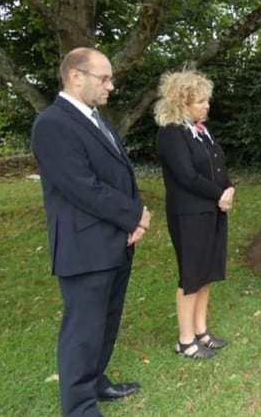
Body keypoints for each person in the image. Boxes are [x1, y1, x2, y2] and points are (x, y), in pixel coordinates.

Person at [31, 47, 152, 416]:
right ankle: (79, 406)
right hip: (84, 246)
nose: (111, 86)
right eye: (105, 78)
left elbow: (116, 173)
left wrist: (131, 219)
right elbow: (82, 187)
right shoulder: (53, 124)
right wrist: (136, 215)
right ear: (75, 76)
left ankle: (96, 382)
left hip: (112, 240)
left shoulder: (94, 118)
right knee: (83, 331)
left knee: (105, 322)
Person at [154, 69, 235, 358]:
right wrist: (219, 194)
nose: (206, 105)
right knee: (191, 276)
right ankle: (185, 340)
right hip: (189, 214)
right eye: (199, 101)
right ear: (181, 103)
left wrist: (229, 189)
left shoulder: (201, 130)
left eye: (206, 100)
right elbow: (187, 176)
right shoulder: (171, 134)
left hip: (211, 210)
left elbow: (216, 167)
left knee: (207, 272)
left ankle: (201, 331)